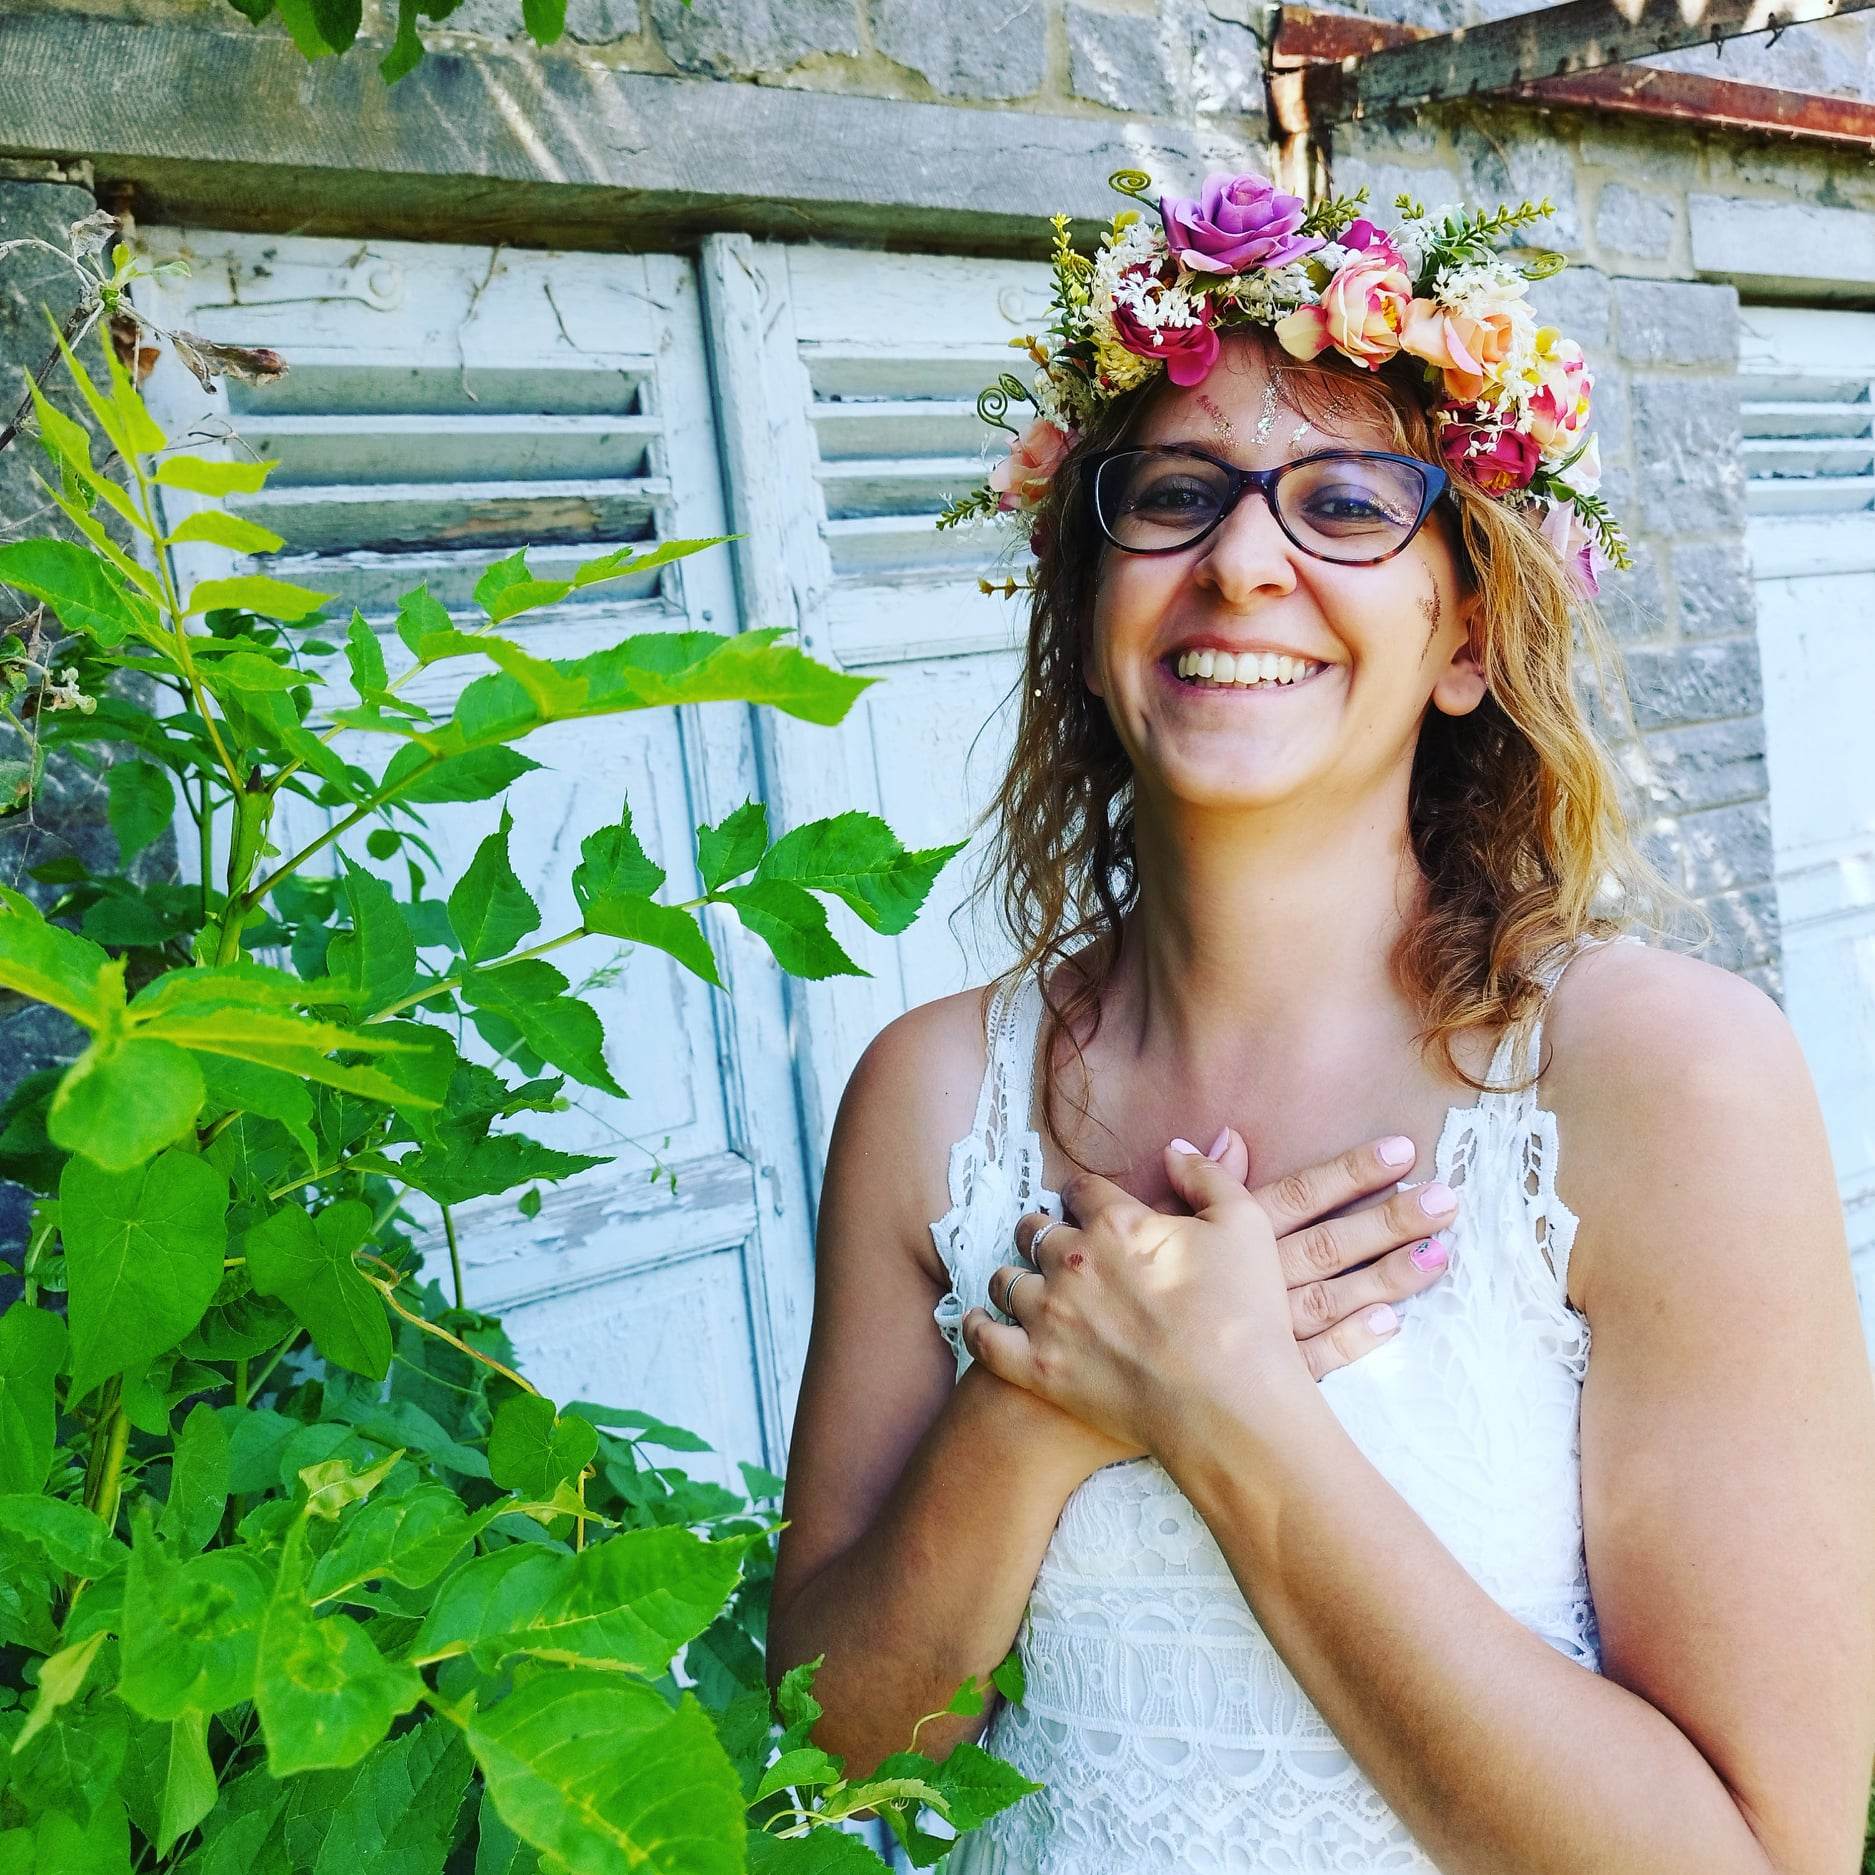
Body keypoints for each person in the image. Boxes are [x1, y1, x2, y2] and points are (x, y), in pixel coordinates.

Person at [766, 170, 1875, 1872]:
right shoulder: (930, 1099)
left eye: (1347, 506)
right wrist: (1041, 1409)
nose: (1244, 562)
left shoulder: (1659, 1082)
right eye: (1178, 494)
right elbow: (828, 1760)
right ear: (1085, 611)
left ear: (1464, 636)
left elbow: (1755, 1858)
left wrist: (1223, 1406)